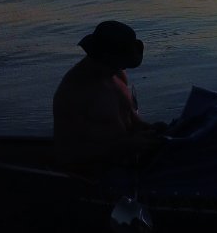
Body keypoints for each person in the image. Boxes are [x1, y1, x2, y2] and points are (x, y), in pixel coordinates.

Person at [53, 20, 166, 167]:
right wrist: (126, 146)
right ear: (100, 57)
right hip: (97, 177)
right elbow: (66, 156)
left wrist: (149, 128)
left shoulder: (118, 73)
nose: (124, 66)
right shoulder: (73, 93)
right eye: (120, 61)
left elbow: (130, 119)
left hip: (131, 163)